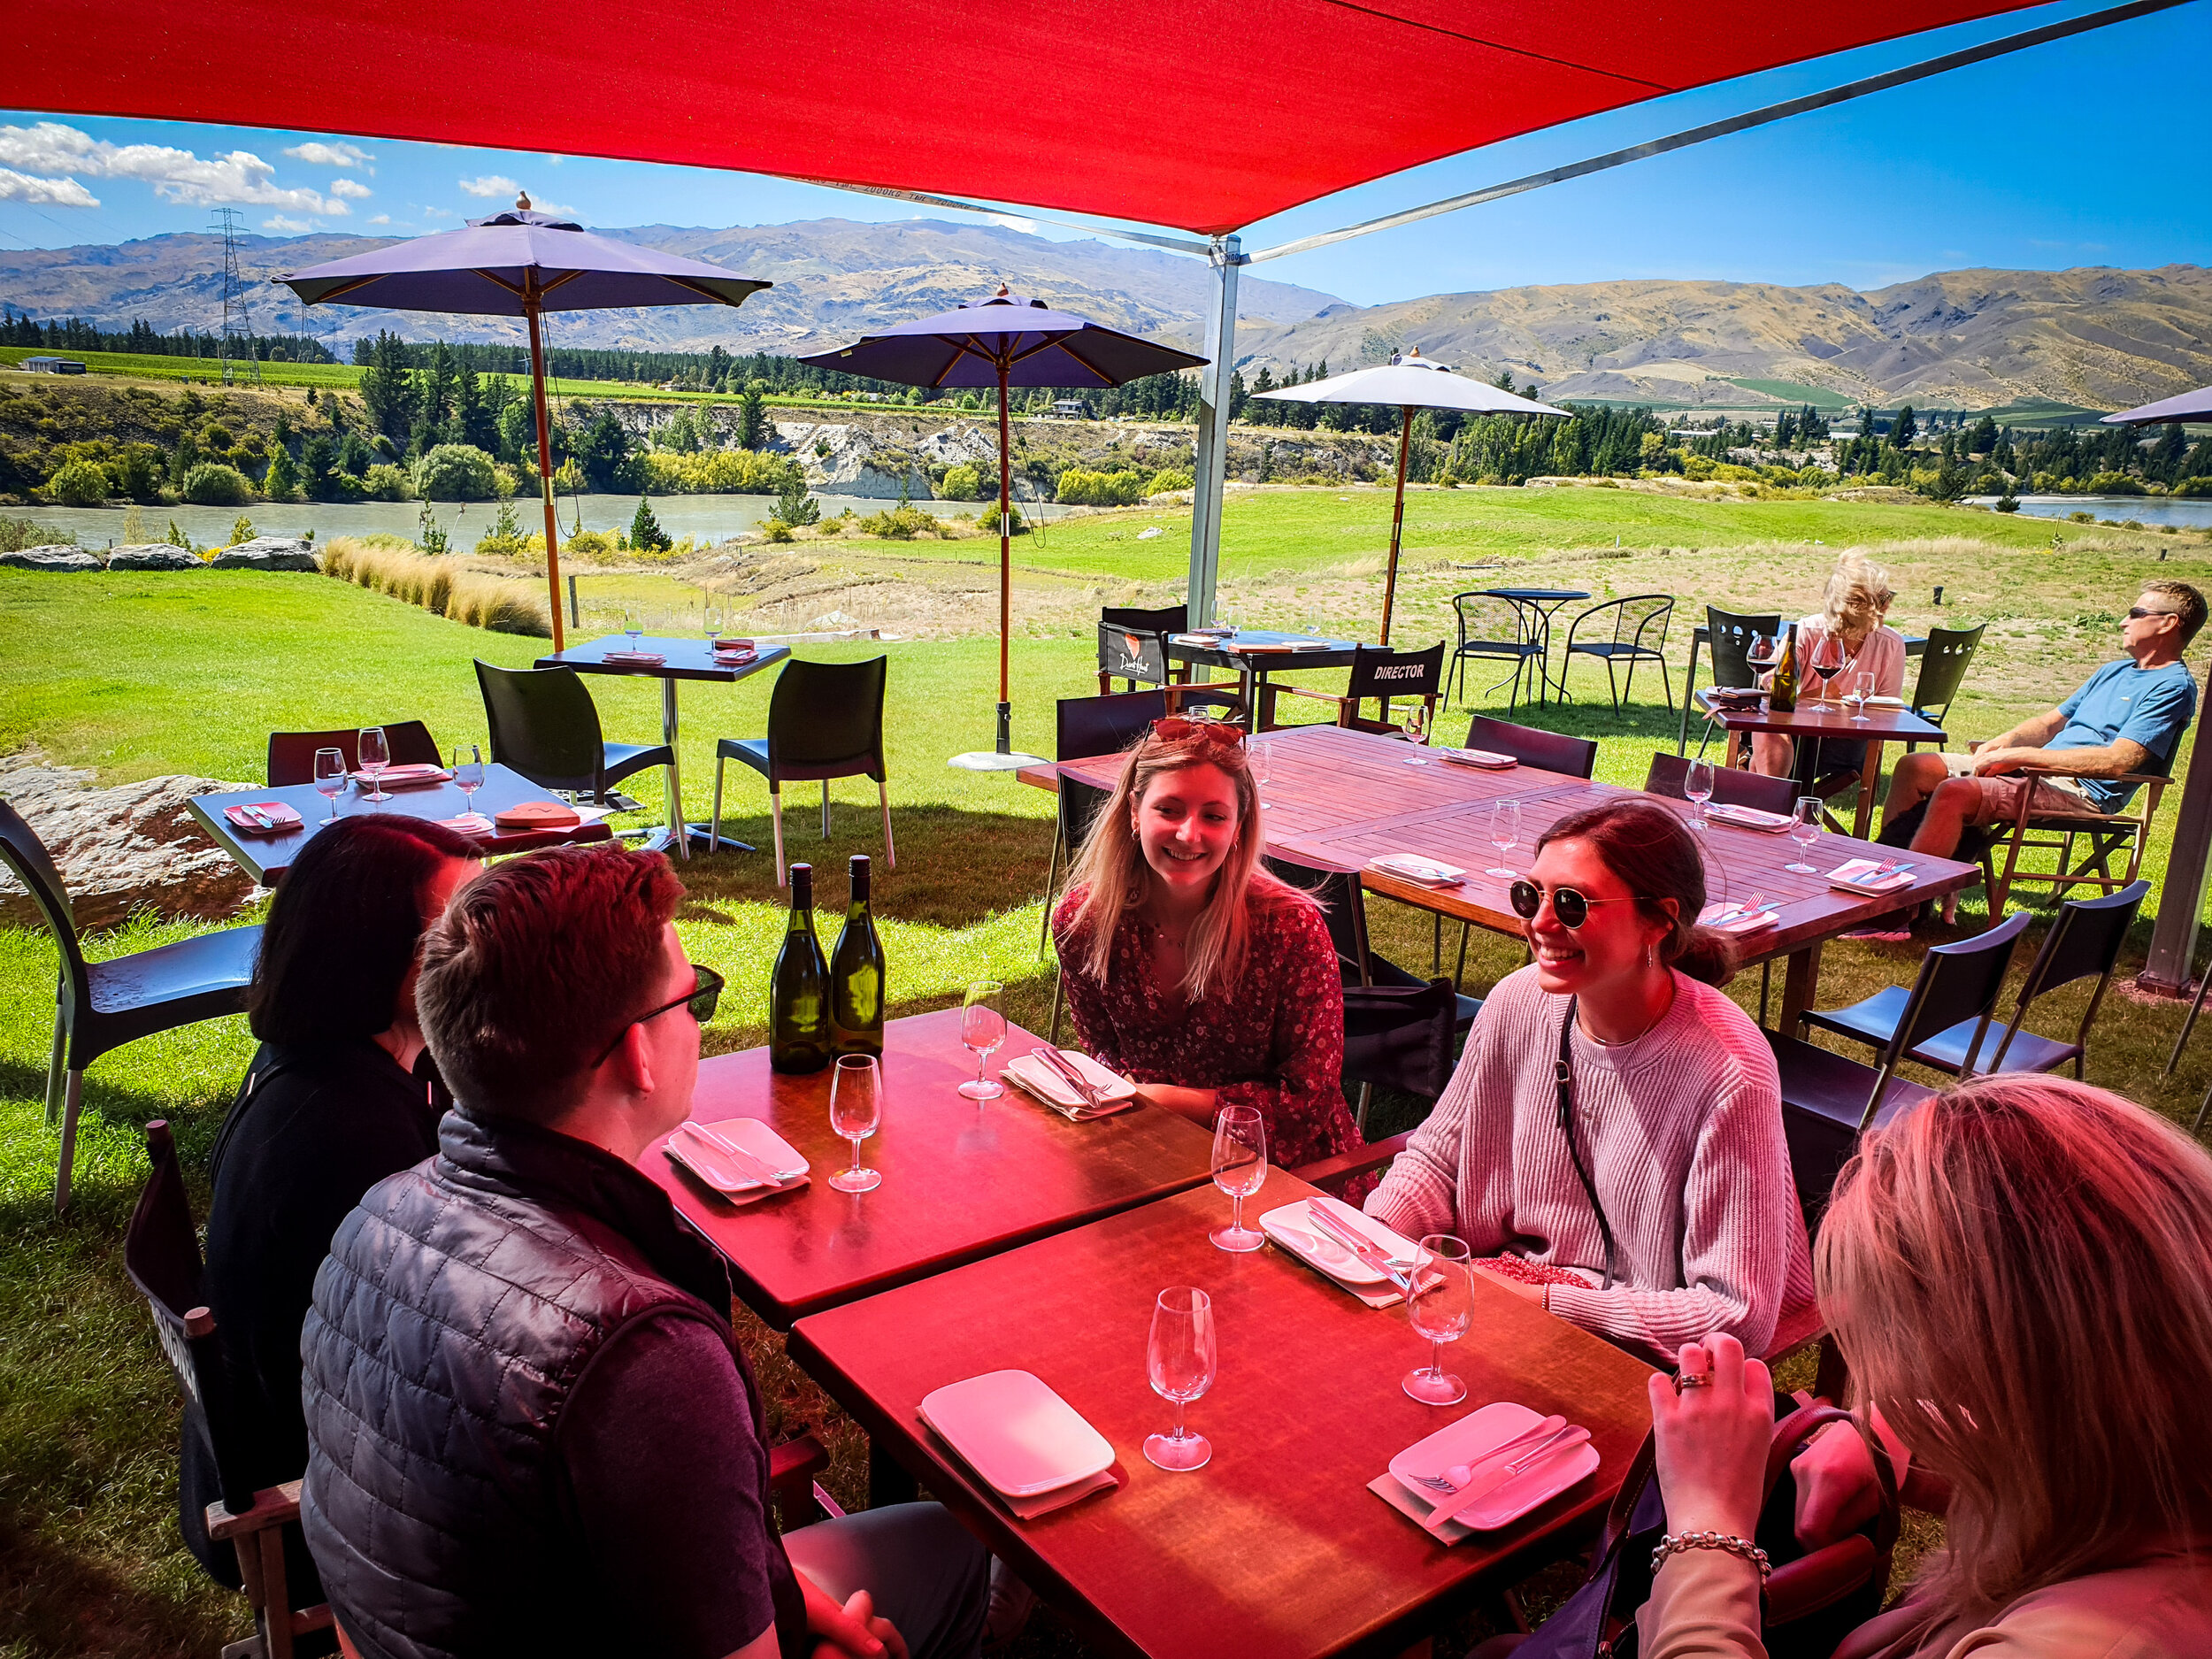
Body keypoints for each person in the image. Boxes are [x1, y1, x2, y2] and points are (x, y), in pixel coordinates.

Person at [298, 845, 990, 1659]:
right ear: (637, 1053)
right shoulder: (640, 1359)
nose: (698, 1020)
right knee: (957, 1545)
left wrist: (777, 1592)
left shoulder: (373, 1218)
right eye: (692, 999)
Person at [1640, 1076, 2212, 1659]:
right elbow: (2119, 1463)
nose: (1909, 1384)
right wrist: (1915, 1451)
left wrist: (1705, 1527)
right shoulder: (2171, 1479)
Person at [1363, 798, 1813, 1365]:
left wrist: (1548, 1302)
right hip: (1489, 1298)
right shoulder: (1517, 1001)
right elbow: (1439, 1159)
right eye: (1531, 896)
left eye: (1572, 904)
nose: (1540, 923)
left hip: (1627, 1350)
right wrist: (1375, 1238)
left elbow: (1734, 1313)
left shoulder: (1729, 1072)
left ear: (1656, 919)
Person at [190, 814, 480, 1582]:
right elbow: (437, 1374)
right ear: (370, 956)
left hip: (273, 1435)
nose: (482, 952)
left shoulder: (314, 1065)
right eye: (454, 931)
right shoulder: (350, 1138)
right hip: (317, 1502)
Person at [1051, 714, 1356, 1173]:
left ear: (1238, 827)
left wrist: (1177, 1102)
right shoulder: (1084, 922)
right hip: (1147, 1151)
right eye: (1169, 809)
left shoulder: (1291, 929)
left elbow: (1309, 1103)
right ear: (1135, 811)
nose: (1189, 834)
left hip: (1285, 1175)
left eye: (1213, 816)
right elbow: (1102, 1053)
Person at [1878, 580, 2204, 863]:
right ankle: (1884, 867)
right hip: (2040, 775)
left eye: (2135, 614)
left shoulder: (2172, 687)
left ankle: (1905, 902)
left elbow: (2118, 761)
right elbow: (2050, 724)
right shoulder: (2113, 671)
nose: (2123, 622)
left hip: (2082, 792)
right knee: (1915, 767)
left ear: (2168, 623)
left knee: (1955, 792)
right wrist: (2005, 742)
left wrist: (2018, 757)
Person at [1751, 553, 1908, 782]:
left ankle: (1767, 800)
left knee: (1763, 749)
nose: (1889, 604)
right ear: (1860, 607)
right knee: (1769, 728)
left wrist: (1840, 708)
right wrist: (1776, 684)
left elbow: (1888, 713)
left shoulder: (1891, 644)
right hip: (1792, 733)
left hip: (1846, 742)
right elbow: (1770, 680)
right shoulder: (1808, 630)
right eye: (1884, 598)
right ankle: (1775, 805)